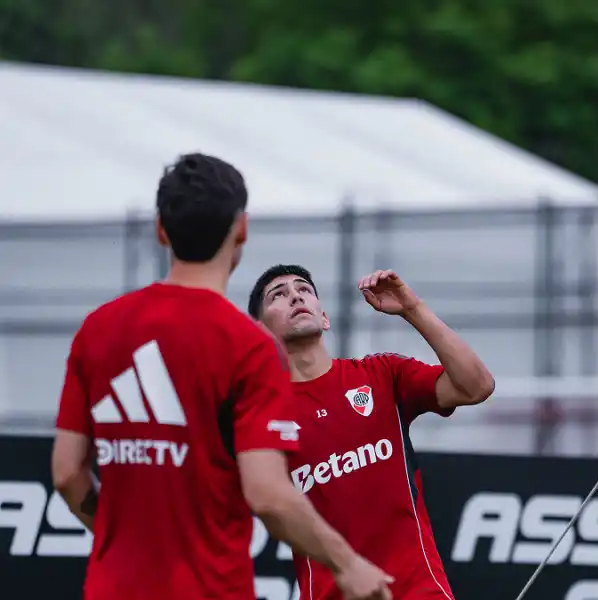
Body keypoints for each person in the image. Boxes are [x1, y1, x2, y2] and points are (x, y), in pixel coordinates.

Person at [50, 153, 393, 600]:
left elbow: (66, 474)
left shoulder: (98, 329)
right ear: (242, 229)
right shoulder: (247, 346)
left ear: (160, 230)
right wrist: (349, 565)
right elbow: (268, 494)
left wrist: (118, 542)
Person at [249, 263, 496, 600]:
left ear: (324, 318)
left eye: (304, 289)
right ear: (261, 333)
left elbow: (477, 386)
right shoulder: (262, 414)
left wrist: (413, 309)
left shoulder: (380, 373)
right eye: (278, 295)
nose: (295, 296)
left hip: (420, 592)